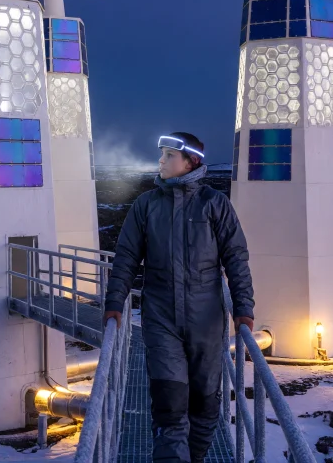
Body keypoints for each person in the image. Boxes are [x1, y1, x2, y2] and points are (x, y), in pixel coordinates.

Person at [103, 132, 255, 463]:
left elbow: (236, 258)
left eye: (168, 155)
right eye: (160, 154)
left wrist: (243, 308)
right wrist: (114, 302)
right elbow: (127, 257)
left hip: (207, 322)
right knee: (169, 408)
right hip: (161, 320)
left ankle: (195, 457)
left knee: (205, 406)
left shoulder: (215, 204)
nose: (160, 160)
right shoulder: (147, 206)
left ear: (190, 161)